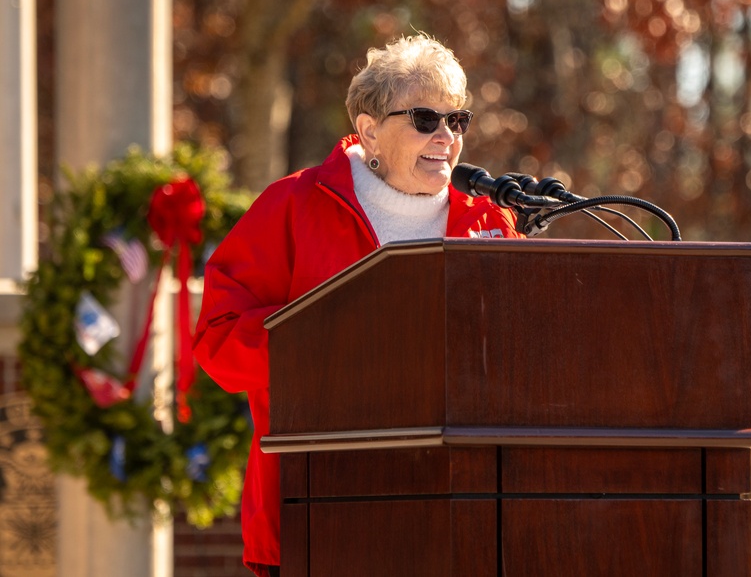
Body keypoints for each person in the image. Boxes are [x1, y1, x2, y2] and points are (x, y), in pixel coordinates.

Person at [192, 34, 522, 577]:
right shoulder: (294, 206)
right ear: (369, 129)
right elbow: (218, 339)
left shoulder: (488, 221)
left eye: (456, 121)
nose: (445, 136)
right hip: (318, 512)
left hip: (460, 512)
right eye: (424, 119)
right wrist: (334, 344)